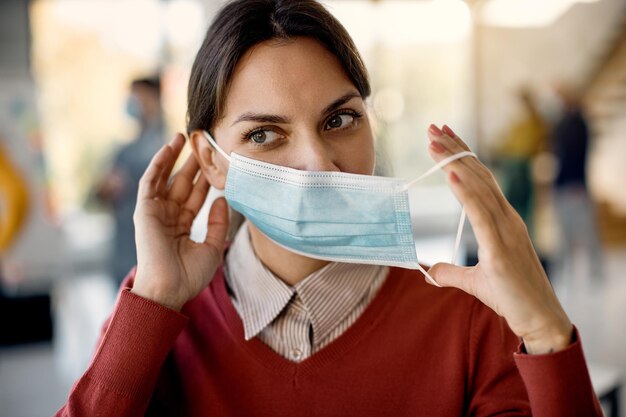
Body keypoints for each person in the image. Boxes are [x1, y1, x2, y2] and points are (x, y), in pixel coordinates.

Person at [57, 1, 601, 416]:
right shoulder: (157, 318)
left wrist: (546, 331)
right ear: (211, 160)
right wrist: (152, 305)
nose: (318, 163)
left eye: (339, 120)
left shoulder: (470, 317)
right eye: (265, 133)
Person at [96, 76, 165, 285]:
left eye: (138, 96)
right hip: (123, 251)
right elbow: (100, 192)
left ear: (153, 99)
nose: (133, 102)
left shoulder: (158, 146)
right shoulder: (127, 149)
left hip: (143, 257)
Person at [551, 83, 603, 280]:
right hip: (563, 183)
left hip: (574, 185)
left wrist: (576, 183)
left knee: (588, 232)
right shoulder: (564, 121)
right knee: (563, 234)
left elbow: (576, 155)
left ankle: (596, 272)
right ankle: (563, 274)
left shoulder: (578, 123)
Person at [495, 87, 548, 233]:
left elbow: (532, 144)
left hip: (522, 165)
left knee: (523, 208)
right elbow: (506, 143)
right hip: (512, 164)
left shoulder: (535, 121)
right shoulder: (518, 122)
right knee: (509, 205)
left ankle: (522, 237)